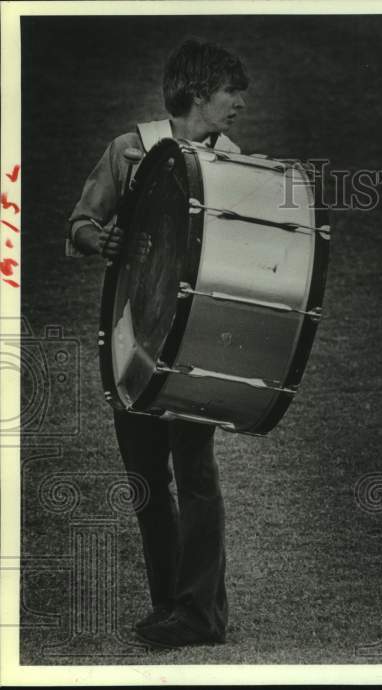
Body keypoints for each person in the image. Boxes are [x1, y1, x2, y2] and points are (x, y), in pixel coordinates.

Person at [66, 39, 249, 647]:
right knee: (146, 473)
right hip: (130, 338)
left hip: (195, 341)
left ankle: (202, 613)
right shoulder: (129, 150)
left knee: (193, 468)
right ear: (197, 93)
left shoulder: (235, 162)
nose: (238, 107)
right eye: (231, 94)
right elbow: (81, 225)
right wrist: (101, 242)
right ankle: (171, 605)